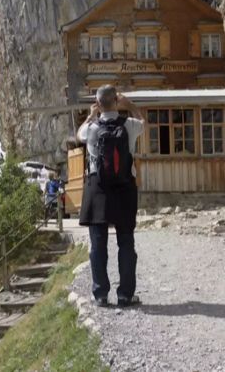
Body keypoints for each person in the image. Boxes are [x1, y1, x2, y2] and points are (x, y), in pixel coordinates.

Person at [77, 85, 143, 307]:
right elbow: (145, 124)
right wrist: (130, 106)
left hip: (98, 189)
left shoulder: (92, 129)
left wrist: (91, 115)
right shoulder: (130, 125)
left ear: (98, 103)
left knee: (98, 244)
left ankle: (101, 295)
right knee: (126, 242)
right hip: (124, 187)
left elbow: (79, 134)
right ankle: (125, 294)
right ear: (116, 101)